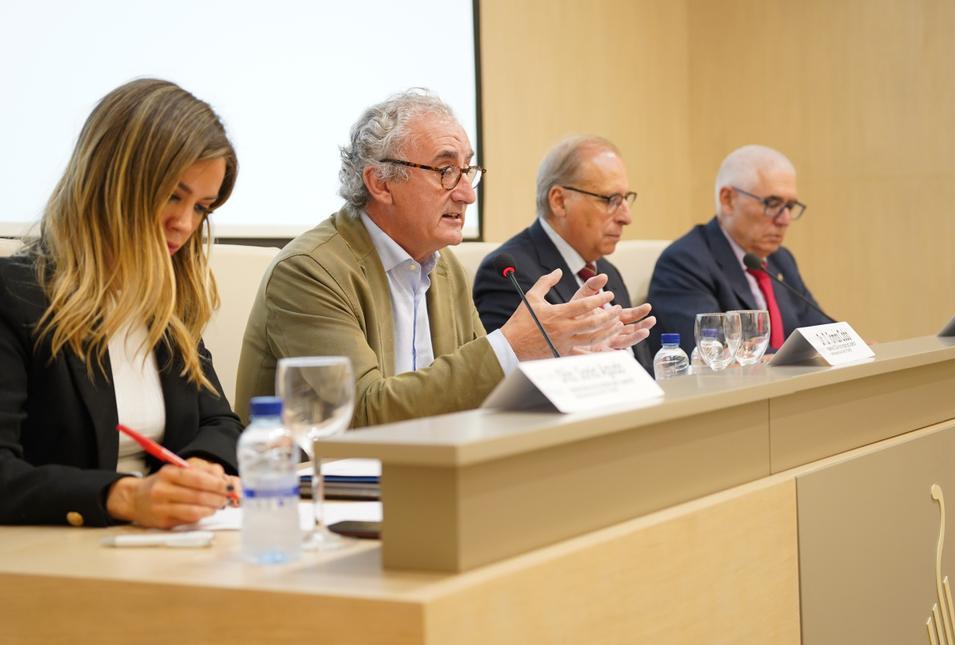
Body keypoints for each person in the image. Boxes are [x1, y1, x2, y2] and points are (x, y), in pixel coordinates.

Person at [236, 90, 653, 428]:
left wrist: (573, 356)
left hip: (428, 475)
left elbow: (481, 396)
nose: (467, 193)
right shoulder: (311, 271)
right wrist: (512, 345)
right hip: (319, 495)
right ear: (380, 182)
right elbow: (360, 415)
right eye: (445, 171)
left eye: (468, 171)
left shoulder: (445, 268)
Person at [0, 79, 243, 530]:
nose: (183, 224)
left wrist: (202, 466)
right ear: (115, 183)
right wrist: (122, 497)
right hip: (40, 561)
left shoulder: (165, 303)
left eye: (202, 208)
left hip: (157, 551)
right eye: (174, 196)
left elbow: (221, 423)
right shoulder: (1, 294)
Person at [473, 135, 652, 373]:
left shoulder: (608, 272)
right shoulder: (509, 273)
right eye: (611, 200)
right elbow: (519, 382)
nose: (626, 217)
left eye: (626, 199)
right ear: (559, 201)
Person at [646, 145, 829, 353]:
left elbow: (819, 329)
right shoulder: (684, 262)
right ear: (728, 200)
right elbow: (715, 353)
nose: (785, 219)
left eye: (789, 206)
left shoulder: (780, 259)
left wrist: (845, 345)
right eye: (772, 203)